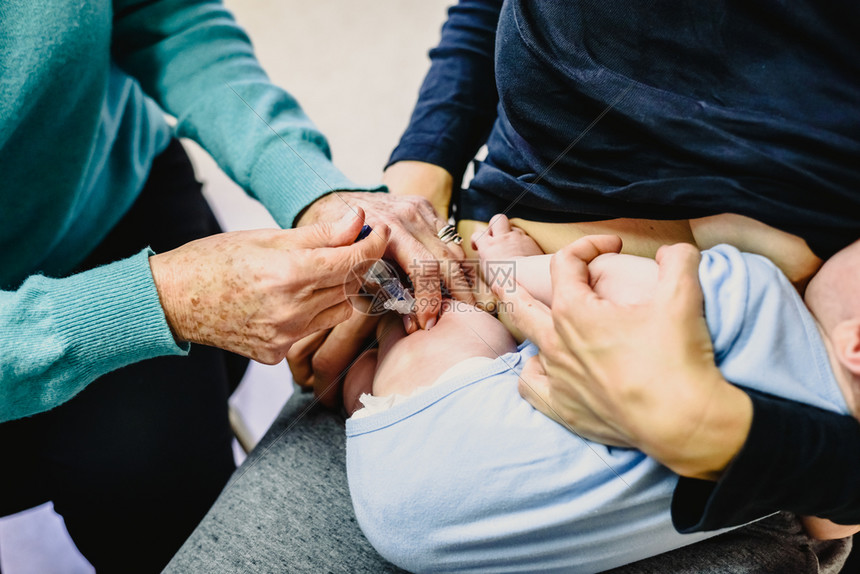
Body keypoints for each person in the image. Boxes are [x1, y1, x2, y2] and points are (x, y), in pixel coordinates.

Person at [166, 0, 860, 571]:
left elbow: (525, 284)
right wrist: (414, 187)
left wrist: (723, 436)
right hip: (458, 404)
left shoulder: (744, 300)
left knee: (448, 315)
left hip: (470, 352)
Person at [1, 0, 468, 570]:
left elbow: (164, 14)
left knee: (155, 492)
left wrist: (312, 187)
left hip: (114, 206)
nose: (488, 236)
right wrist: (158, 303)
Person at [340, 222, 860, 572]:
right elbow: (827, 525)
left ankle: (388, 340)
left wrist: (511, 262)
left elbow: (542, 285)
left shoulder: (746, 292)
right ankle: (373, 384)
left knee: (451, 310)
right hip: (452, 546)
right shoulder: (821, 475)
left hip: (433, 443)